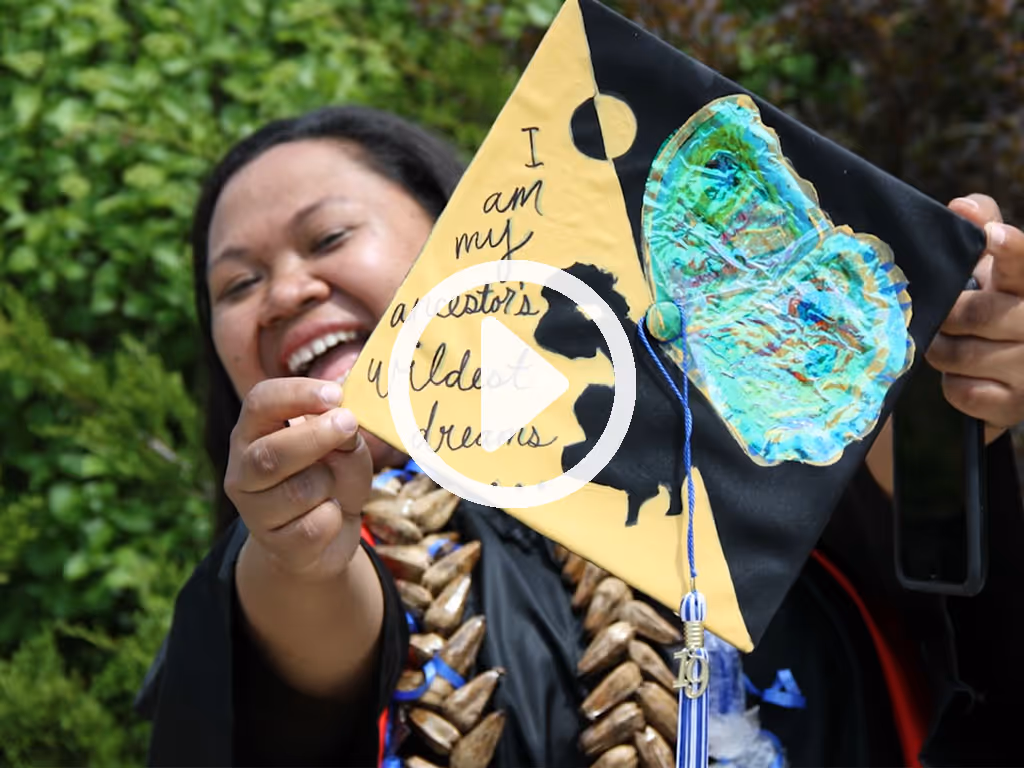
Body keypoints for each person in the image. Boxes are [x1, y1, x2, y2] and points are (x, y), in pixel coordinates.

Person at [135, 105, 1024, 768]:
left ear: (461, 230)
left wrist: (952, 383)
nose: (285, 291)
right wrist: (295, 552)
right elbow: (306, 667)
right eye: (236, 284)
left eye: (327, 236)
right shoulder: (286, 582)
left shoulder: (707, 438)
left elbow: (923, 543)